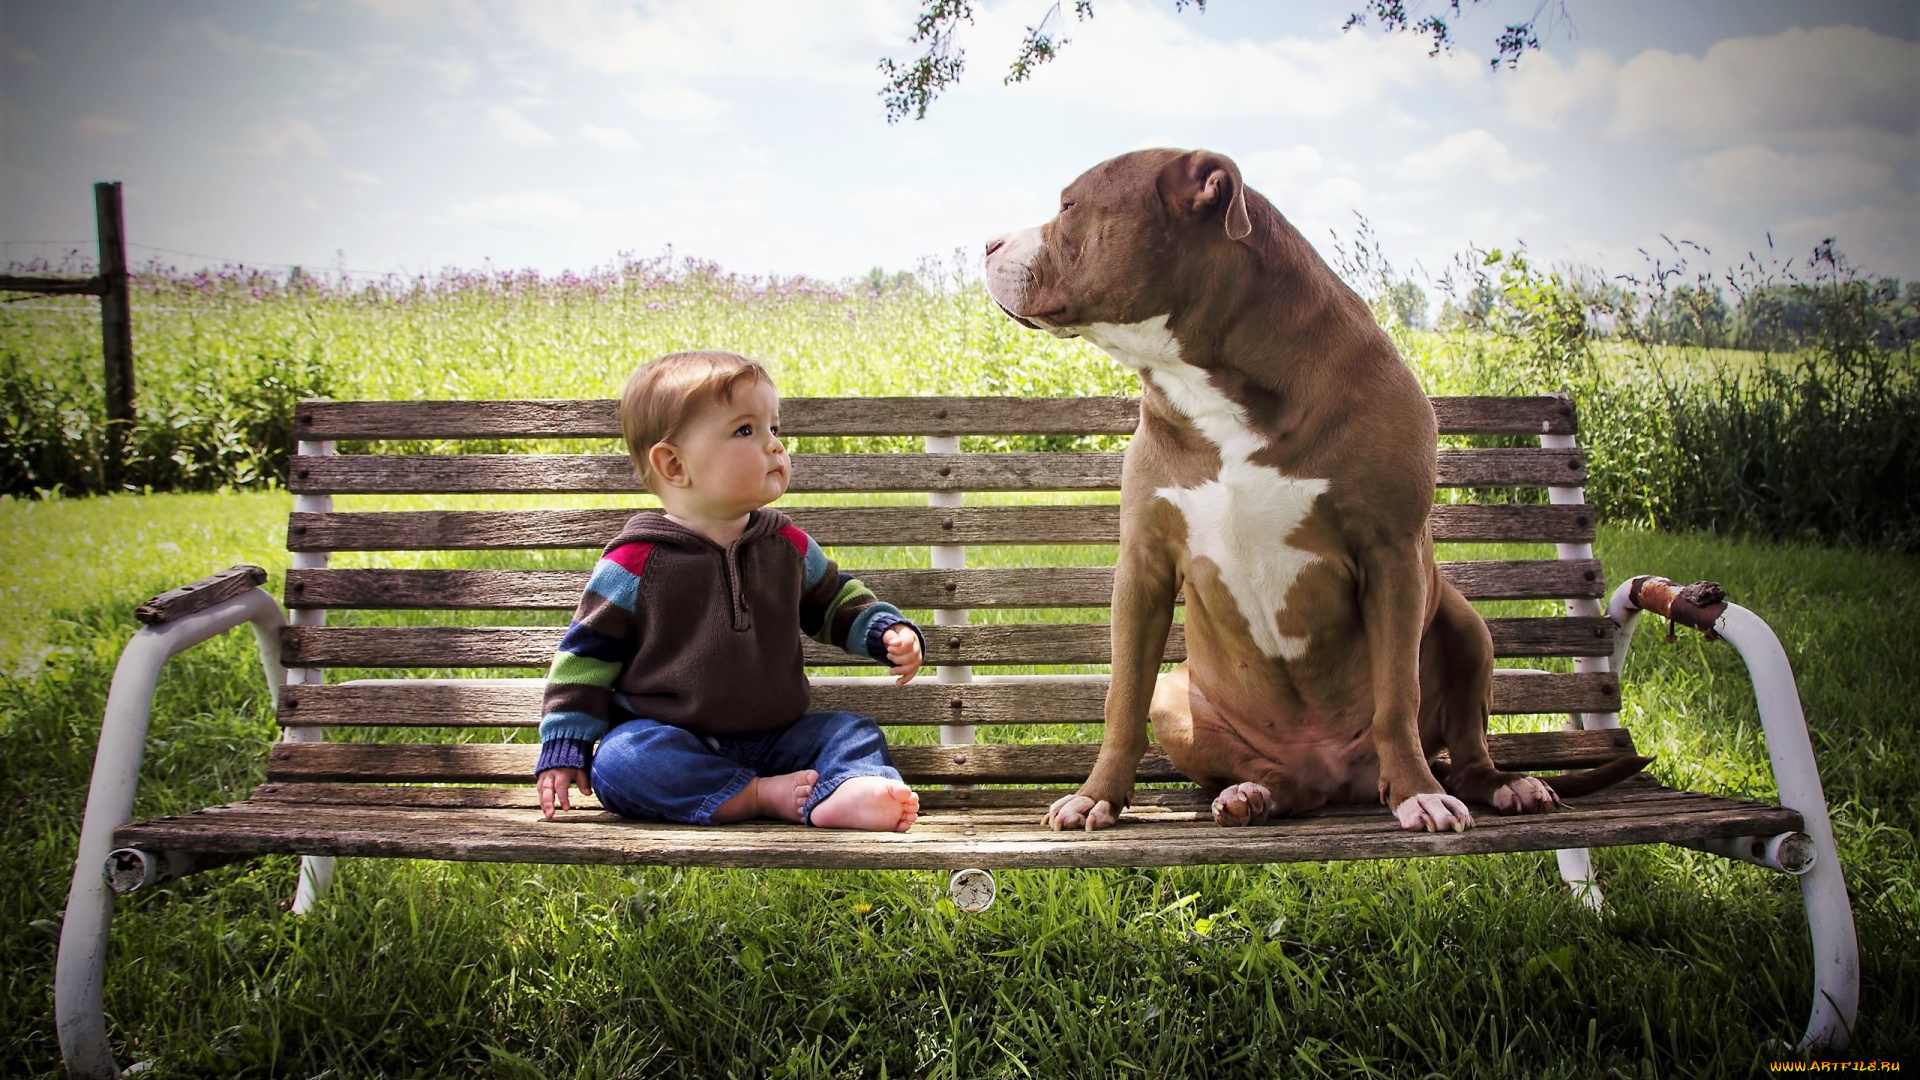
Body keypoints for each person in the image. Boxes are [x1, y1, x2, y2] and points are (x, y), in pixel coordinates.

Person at [533, 350, 924, 831]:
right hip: (673, 738)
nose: (774, 447)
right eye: (746, 431)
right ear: (674, 465)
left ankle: (845, 790)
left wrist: (884, 630)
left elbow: (834, 600)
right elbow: (586, 654)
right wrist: (566, 740)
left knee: (851, 731)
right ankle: (759, 795)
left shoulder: (787, 547)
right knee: (620, 760)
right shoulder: (636, 562)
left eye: (774, 430)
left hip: (780, 738)